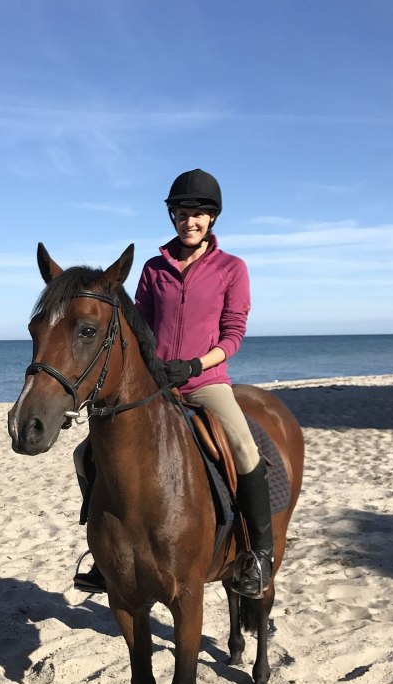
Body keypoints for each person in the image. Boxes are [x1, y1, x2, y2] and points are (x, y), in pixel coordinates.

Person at [74, 168, 274, 599]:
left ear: (213, 220)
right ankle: (103, 555)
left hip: (206, 381)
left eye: (199, 215)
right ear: (173, 217)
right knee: (86, 451)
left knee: (243, 445)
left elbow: (233, 334)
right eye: (183, 213)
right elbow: (139, 324)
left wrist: (196, 365)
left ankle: (259, 553)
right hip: (157, 383)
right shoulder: (153, 268)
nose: (191, 221)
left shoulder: (231, 268)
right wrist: (149, 368)